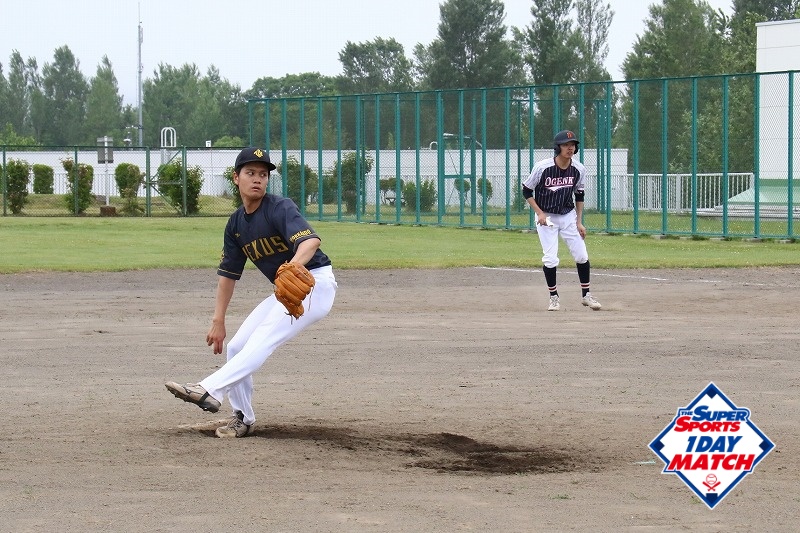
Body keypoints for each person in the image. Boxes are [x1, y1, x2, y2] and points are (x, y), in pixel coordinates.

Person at [165, 147, 337, 437]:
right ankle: (242, 418)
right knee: (237, 347)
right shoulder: (236, 224)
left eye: (263, 174)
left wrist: (293, 266)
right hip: (285, 290)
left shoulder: (279, 208)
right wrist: (218, 320)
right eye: (250, 172)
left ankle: (209, 389)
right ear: (236, 178)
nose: (258, 178)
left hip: (313, 284)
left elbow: (311, 242)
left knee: (263, 338)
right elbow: (228, 275)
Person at [521, 130, 601, 312]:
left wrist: (579, 222)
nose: (570, 148)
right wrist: (539, 213)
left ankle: (586, 296)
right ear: (558, 147)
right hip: (547, 217)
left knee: (582, 255)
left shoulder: (579, 169)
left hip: (567, 215)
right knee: (550, 258)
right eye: (565, 144)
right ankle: (554, 298)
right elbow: (526, 190)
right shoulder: (543, 167)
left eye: (572, 145)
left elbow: (579, 195)